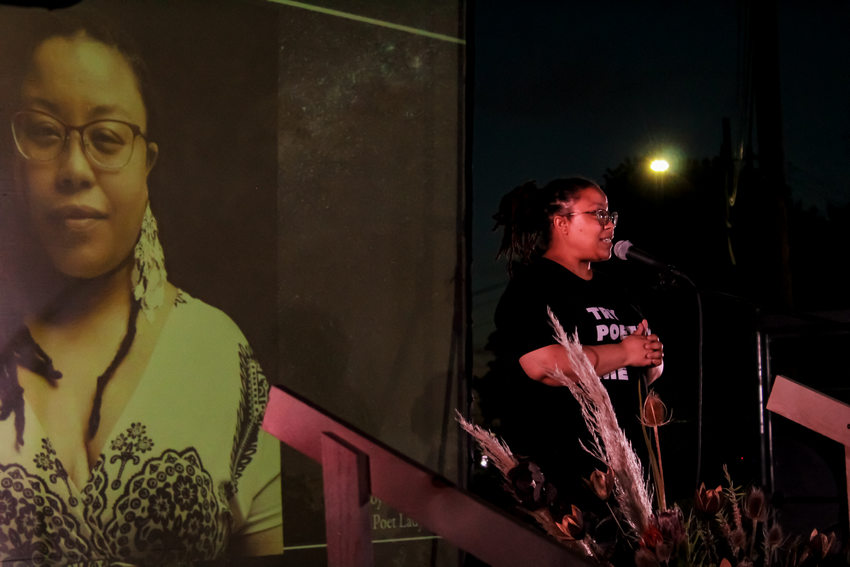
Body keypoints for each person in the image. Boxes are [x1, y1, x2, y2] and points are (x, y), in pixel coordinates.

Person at [0, 10, 282, 565]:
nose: (74, 168)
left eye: (106, 138)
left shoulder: (216, 352)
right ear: (13, 160)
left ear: (146, 163)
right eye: (43, 131)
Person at [475, 177, 664, 527]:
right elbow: (544, 365)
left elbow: (643, 368)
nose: (610, 224)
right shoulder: (532, 287)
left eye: (612, 216)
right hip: (567, 479)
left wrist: (652, 357)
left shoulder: (615, 290)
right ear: (562, 222)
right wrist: (624, 353)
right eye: (599, 214)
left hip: (631, 476)